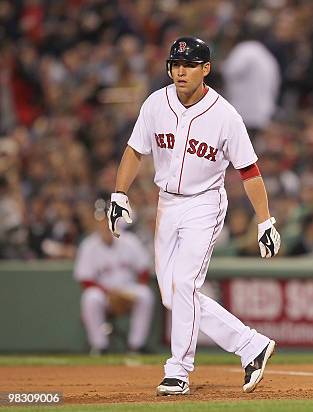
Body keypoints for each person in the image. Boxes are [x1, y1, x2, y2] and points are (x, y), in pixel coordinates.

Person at [107, 36, 281, 396]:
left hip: (205, 203)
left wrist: (265, 219)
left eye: (189, 65)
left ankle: (178, 370)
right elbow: (134, 150)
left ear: (206, 69)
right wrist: (119, 192)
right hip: (167, 203)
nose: (180, 71)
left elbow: (249, 171)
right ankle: (251, 345)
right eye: (176, 64)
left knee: (184, 284)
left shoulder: (225, 115)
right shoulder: (156, 103)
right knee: (173, 296)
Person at [74, 198, 154, 355]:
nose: (104, 224)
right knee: (90, 297)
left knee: (145, 295)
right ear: (96, 223)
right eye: (100, 220)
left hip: (127, 291)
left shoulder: (130, 241)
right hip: (104, 293)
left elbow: (144, 269)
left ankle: (136, 345)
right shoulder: (88, 245)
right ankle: (100, 346)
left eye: (106, 219)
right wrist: (109, 293)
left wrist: (134, 290)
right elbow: (85, 279)